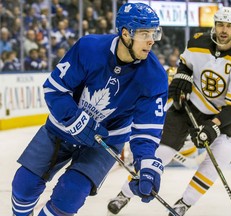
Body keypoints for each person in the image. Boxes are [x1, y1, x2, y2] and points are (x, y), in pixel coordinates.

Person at [11, 3, 168, 216]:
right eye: (144, 33)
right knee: (24, 185)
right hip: (61, 129)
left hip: (106, 141)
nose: (151, 40)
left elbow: (147, 131)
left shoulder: (155, 76)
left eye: (154, 33)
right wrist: (75, 119)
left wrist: (147, 165)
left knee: (70, 197)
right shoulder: (89, 48)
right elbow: (55, 89)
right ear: (125, 33)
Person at [108, 6, 231, 216]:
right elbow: (185, 65)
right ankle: (124, 193)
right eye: (221, 24)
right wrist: (182, 77)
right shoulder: (197, 42)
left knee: (222, 155)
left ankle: (184, 203)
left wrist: (213, 127)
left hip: (221, 116)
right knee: (161, 152)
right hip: (188, 105)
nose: (224, 30)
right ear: (214, 25)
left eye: (230, 26)